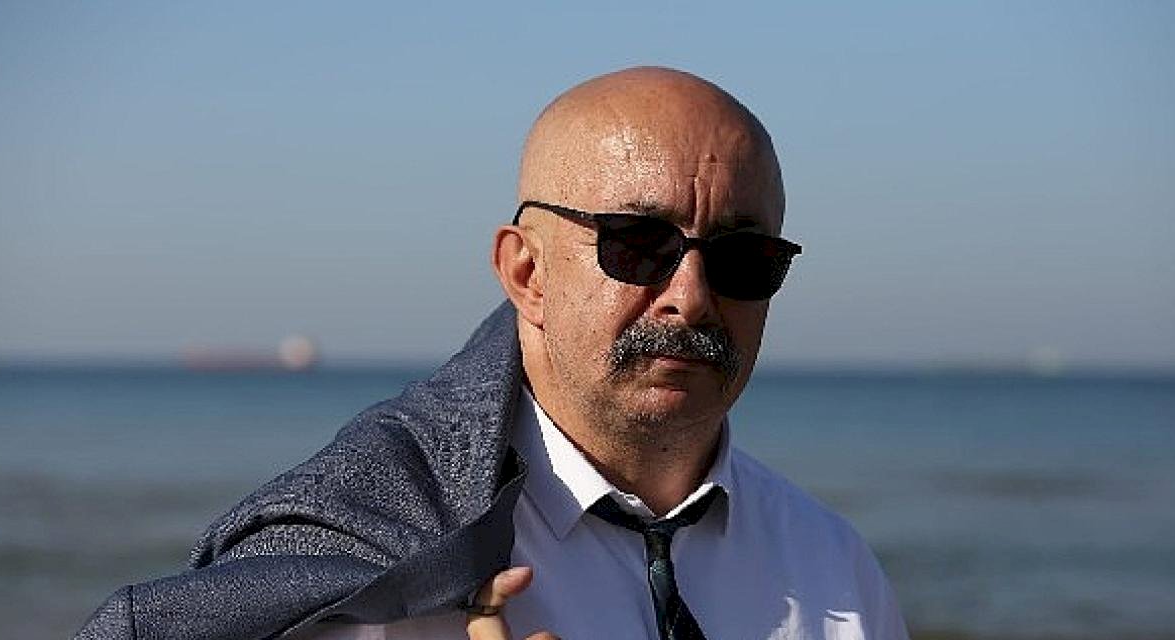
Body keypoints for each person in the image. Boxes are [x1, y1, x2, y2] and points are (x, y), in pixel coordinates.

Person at [77, 66, 908, 640]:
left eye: (742, 259)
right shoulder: (383, 575)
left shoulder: (832, 568)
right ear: (526, 272)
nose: (690, 296)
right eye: (637, 244)